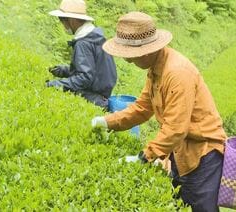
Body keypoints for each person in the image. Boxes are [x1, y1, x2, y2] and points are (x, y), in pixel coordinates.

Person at [91, 12, 227, 211]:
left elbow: (176, 129)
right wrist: (107, 121)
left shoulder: (177, 73)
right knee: (180, 204)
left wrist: (143, 157)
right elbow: (142, 108)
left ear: (145, 52)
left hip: (202, 156)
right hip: (179, 151)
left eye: (130, 56)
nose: (128, 61)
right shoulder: (156, 70)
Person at [46, 0, 117, 109]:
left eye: (62, 20)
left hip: (94, 98)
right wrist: (63, 71)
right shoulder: (95, 37)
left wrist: (55, 84)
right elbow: (92, 70)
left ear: (72, 20)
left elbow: (84, 78)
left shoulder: (84, 43)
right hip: (101, 95)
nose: (62, 24)